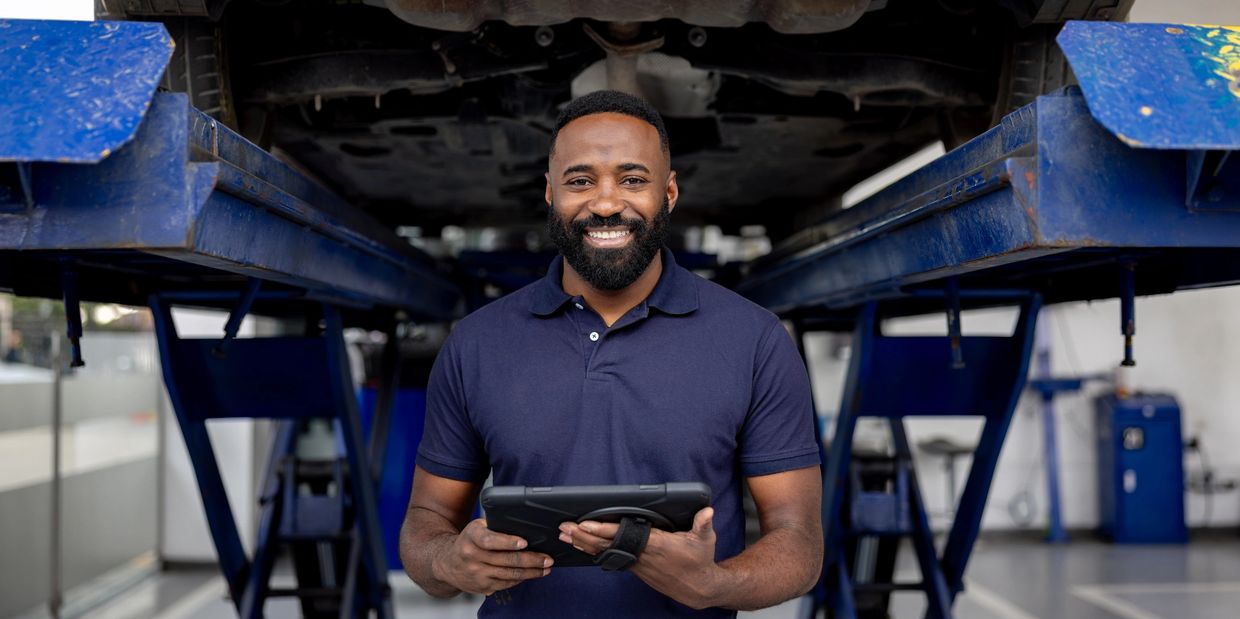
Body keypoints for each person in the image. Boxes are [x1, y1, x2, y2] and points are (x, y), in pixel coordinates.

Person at [399, 90, 822, 618]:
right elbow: (426, 520)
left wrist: (715, 585)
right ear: (549, 193)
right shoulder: (477, 342)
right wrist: (447, 561)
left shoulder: (754, 339)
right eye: (579, 181)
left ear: (668, 193)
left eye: (633, 179)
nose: (604, 203)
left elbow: (800, 542)